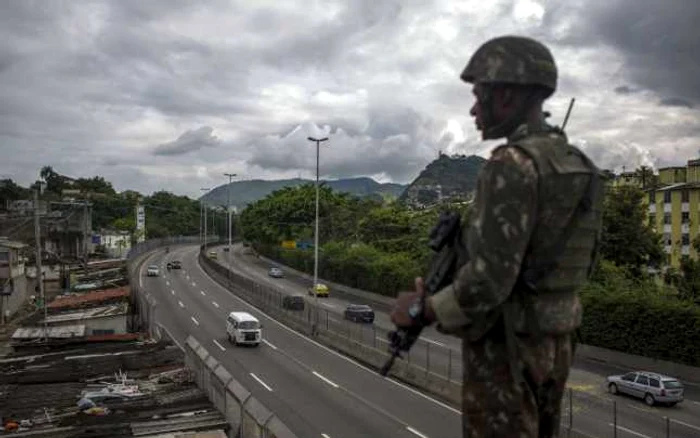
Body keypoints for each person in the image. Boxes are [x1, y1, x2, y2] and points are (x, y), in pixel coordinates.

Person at [390, 35, 604, 437]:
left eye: (478, 94)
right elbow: (581, 261)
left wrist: (422, 309)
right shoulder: (582, 167)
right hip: (556, 343)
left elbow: (488, 282)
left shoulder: (512, 165)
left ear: (505, 94)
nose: (473, 108)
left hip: (508, 347)